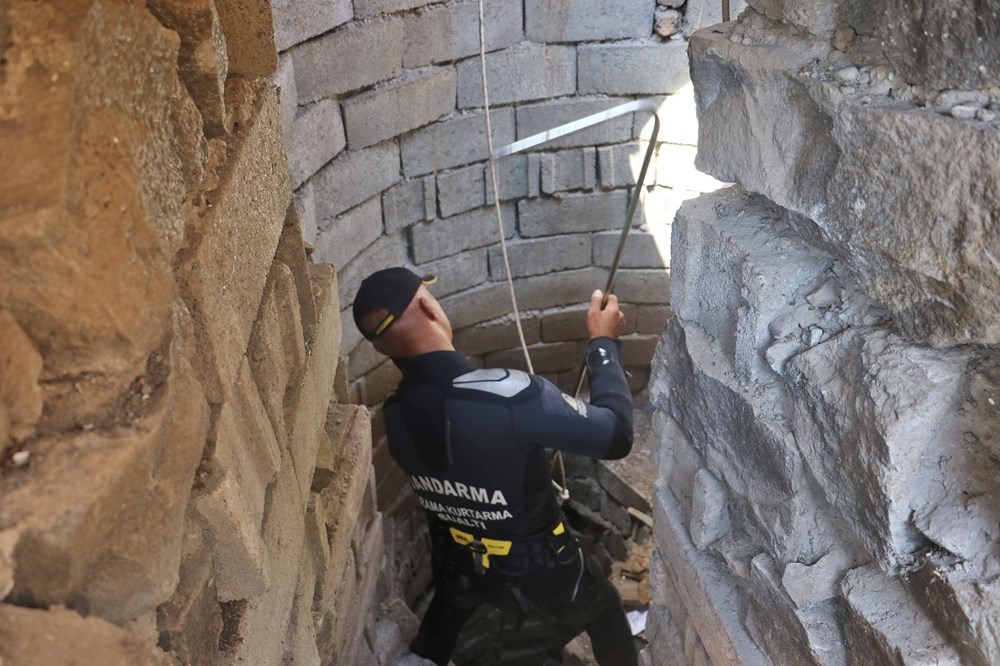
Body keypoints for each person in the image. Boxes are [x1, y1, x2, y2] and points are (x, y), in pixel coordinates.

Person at [352, 267, 638, 666]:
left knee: (440, 629)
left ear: (381, 349)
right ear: (428, 307)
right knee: (604, 607)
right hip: (549, 575)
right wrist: (603, 343)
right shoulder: (508, 395)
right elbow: (616, 436)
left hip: (464, 574)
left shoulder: (395, 415)